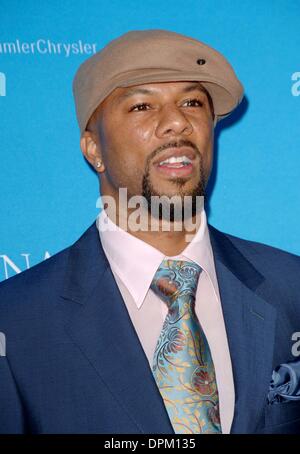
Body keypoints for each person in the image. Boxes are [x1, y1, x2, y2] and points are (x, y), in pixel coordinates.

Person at [0, 29, 300, 435]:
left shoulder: (292, 287)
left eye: (192, 102)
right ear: (93, 149)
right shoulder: (15, 322)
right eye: (142, 105)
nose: (178, 121)